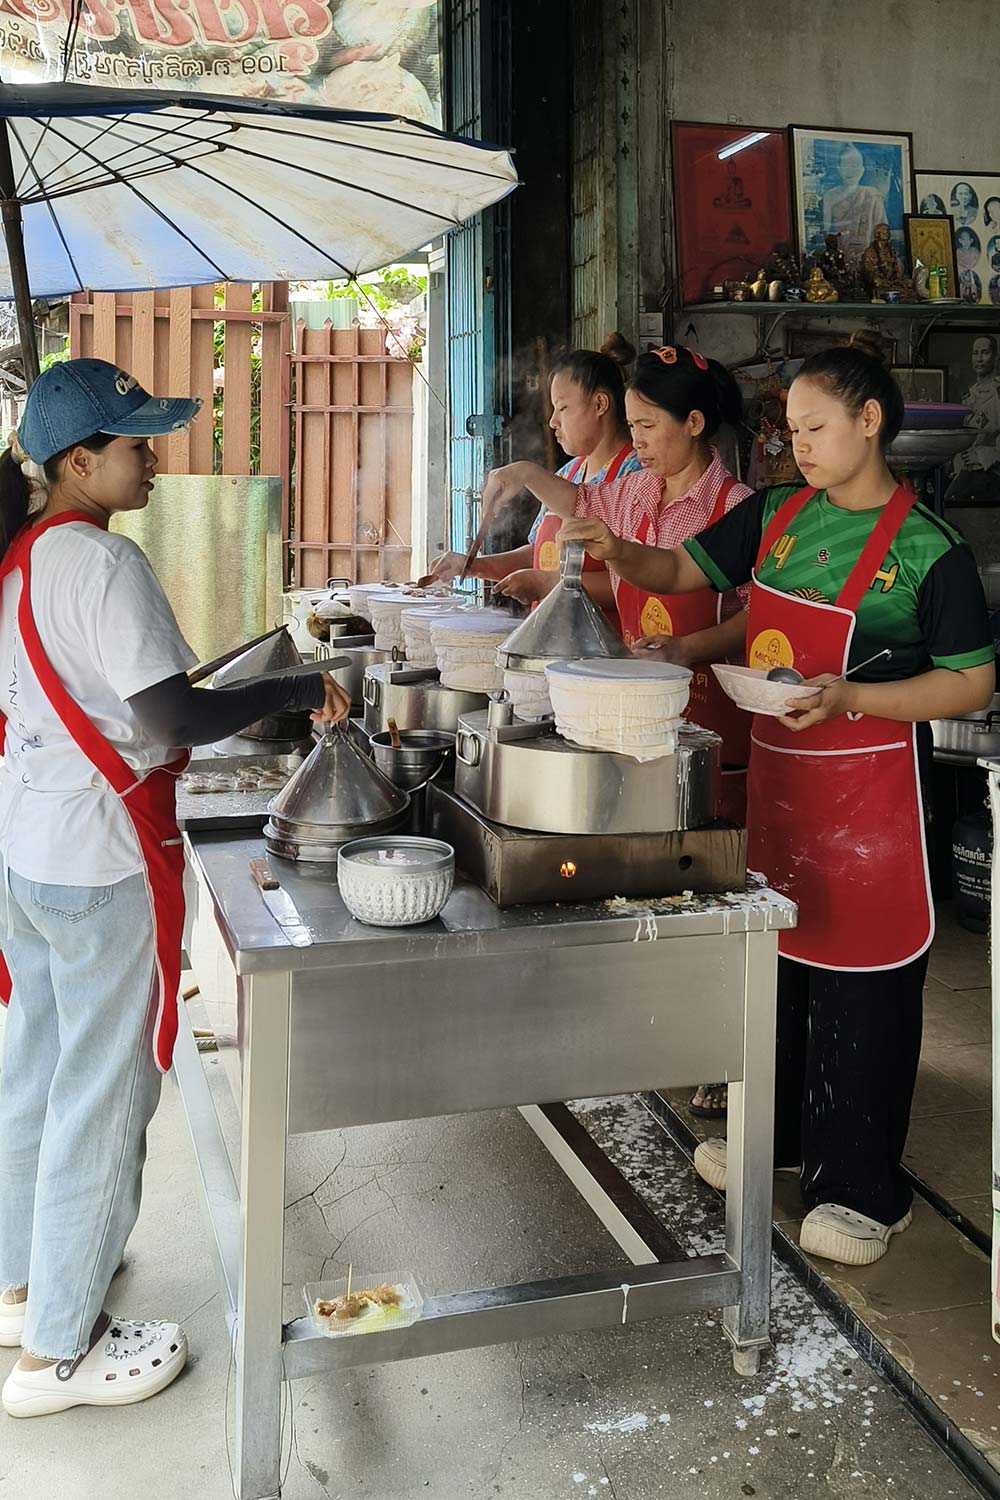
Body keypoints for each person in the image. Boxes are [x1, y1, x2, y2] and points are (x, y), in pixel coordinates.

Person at [559, 345, 994, 1266]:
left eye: (815, 428)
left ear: (870, 421)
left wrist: (853, 699)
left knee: (863, 990)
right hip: (787, 784)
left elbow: (969, 684)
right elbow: (682, 575)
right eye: (788, 431)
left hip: (873, 800)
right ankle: (782, 1141)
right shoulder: (780, 514)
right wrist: (616, 548)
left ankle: (863, 1189)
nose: (797, 446)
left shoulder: (929, 550)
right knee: (781, 970)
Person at [0, 360, 350, 1418]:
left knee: (37, 1072)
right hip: (104, 860)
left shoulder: (20, 558)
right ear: (78, 462)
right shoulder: (102, 565)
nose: (154, 459)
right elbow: (174, 724)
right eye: (136, 444)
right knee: (107, 1095)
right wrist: (299, 684)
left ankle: (25, 1283)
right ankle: (59, 1357)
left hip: (29, 849)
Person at [422, 336, 640, 625]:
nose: (553, 422)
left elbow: (638, 582)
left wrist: (551, 583)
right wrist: (474, 565)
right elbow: (538, 554)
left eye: (562, 408)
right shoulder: (568, 474)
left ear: (600, 403)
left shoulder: (636, 472)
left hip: (607, 649)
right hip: (554, 639)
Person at [822, 143, 886, 265]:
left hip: (868, 258)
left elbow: (882, 232)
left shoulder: (872, 195)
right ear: (839, 168)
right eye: (846, 165)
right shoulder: (830, 196)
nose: (850, 170)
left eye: (855, 165)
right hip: (839, 257)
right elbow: (825, 231)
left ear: (862, 170)